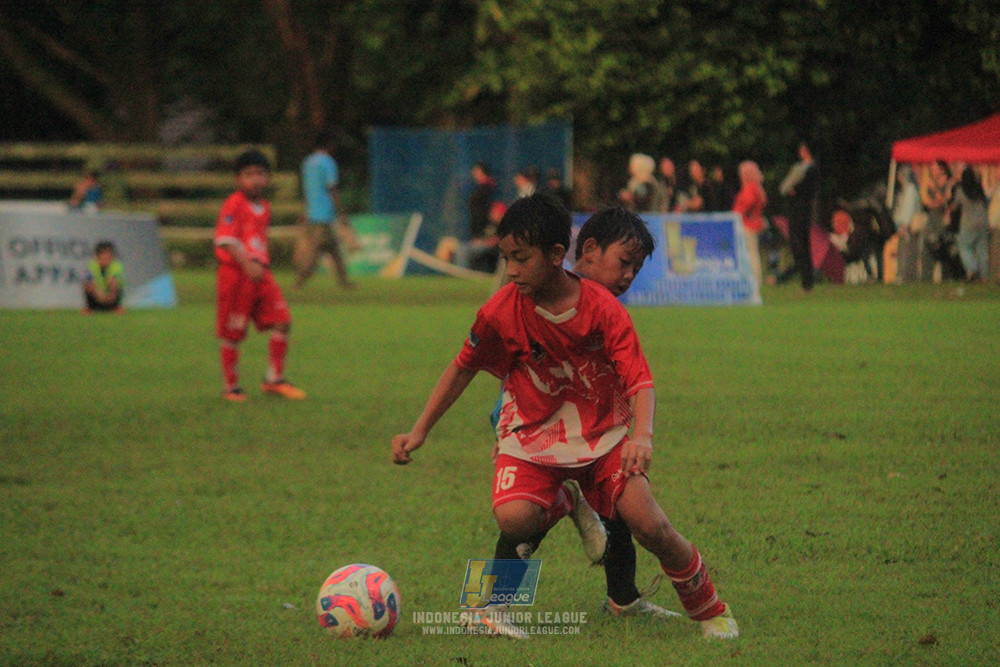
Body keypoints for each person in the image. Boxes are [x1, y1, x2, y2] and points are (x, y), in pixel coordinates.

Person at [391, 194, 739, 641]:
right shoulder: (500, 309)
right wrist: (420, 430)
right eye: (506, 258)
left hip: (603, 437)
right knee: (514, 519)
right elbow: (463, 365)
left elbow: (641, 380)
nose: (511, 269)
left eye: (521, 258)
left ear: (557, 256)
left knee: (649, 523)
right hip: (532, 436)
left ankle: (710, 610)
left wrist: (643, 435)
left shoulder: (603, 308)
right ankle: (494, 600)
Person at [214, 149, 306, 402]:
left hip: (261, 274)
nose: (255, 179)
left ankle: (274, 379)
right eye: (249, 174)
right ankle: (231, 387)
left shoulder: (264, 207)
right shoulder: (234, 203)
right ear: (238, 179)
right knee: (232, 333)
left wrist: (260, 263)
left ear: (268, 178)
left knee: (283, 320)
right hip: (237, 274)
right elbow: (225, 240)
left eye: (260, 174)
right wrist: (246, 264)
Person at [294, 130, 355, 289]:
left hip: (312, 213)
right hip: (324, 214)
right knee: (316, 251)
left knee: (334, 249)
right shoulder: (328, 162)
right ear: (329, 145)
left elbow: (307, 190)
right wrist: (341, 212)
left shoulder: (307, 162)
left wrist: (305, 211)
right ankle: (300, 280)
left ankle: (344, 281)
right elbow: (332, 189)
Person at [779, 141, 820, 291]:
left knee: (802, 245)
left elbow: (806, 190)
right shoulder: (799, 168)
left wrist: (795, 190)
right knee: (798, 245)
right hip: (795, 211)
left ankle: (807, 282)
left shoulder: (811, 170)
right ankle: (805, 281)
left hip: (802, 212)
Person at [950, 166, 990, 282]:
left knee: (964, 246)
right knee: (982, 250)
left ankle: (972, 270)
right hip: (983, 222)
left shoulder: (961, 189)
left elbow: (955, 205)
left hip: (968, 223)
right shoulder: (978, 188)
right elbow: (985, 202)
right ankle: (984, 276)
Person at [732, 160, 768, 288]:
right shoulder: (758, 187)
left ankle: (754, 281)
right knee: (753, 253)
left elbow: (746, 203)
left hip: (747, 224)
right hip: (754, 223)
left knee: (750, 254)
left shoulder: (750, 188)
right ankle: (755, 280)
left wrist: (737, 213)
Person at [891, 164, 923, 283]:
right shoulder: (906, 189)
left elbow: (908, 209)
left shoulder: (910, 189)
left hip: (907, 227)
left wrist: (904, 225)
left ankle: (905, 275)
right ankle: (906, 275)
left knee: (906, 251)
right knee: (905, 250)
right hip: (904, 226)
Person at [82, 240, 124, 313]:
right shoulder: (91, 265)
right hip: (97, 296)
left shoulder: (116, 265)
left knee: (117, 286)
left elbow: (114, 283)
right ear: (97, 255)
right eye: (104, 253)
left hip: (111, 297)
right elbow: (89, 283)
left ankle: (115, 307)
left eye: (109, 253)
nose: (107, 256)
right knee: (87, 286)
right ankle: (90, 307)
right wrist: (99, 296)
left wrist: (109, 298)